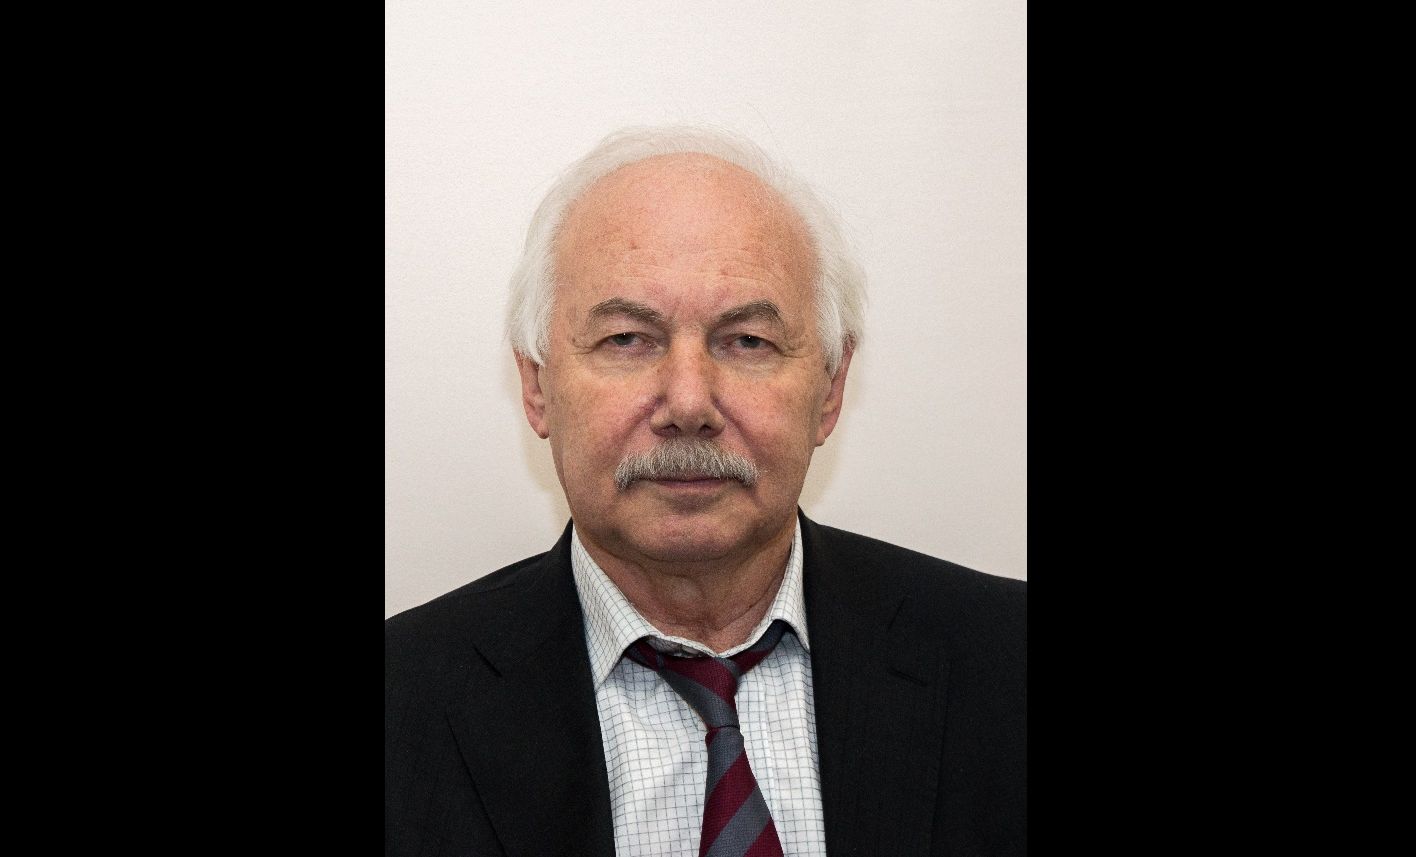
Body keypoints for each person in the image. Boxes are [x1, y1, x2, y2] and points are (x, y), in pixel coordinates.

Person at [385, 126, 1026, 857]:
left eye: (747, 341)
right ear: (536, 385)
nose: (688, 402)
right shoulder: (403, 703)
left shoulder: (1006, 664)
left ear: (830, 388)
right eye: (627, 339)